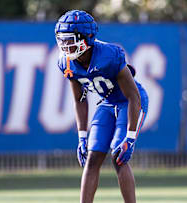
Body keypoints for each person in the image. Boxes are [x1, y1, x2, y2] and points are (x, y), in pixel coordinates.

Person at [55, 10, 149, 203]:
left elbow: (133, 95)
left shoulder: (109, 55)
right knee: (92, 156)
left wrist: (130, 137)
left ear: (87, 37)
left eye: (70, 39)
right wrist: (82, 136)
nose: (65, 45)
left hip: (129, 102)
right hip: (107, 103)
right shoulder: (66, 63)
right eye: (62, 40)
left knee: (118, 155)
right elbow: (80, 99)